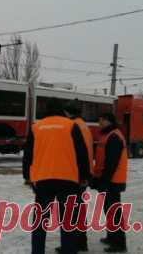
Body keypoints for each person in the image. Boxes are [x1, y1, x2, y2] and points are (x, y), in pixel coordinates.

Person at [23, 100, 90, 254]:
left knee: (40, 220)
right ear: (61, 110)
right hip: (68, 180)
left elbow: (28, 155)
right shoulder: (71, 125)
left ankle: (37, 251)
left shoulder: (36, 127)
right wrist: (84, 176)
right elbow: (82, 153)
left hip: (43, 179)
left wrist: (27, 176)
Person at [53, 101, 94, 253]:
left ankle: (74, 244)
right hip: (83, 174)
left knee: (72, 211)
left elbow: (76, 154)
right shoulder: (83, 125)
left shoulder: (73, 126)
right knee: (78, 209)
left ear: (67, 113)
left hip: (75, 175)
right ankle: (81, 242)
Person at [92, 113, 128, 253]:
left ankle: (119, 243)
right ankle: (112, 237)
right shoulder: (109, 135)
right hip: (109, 179)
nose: (99, 122)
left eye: (101, 120)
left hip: (112, 180)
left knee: (114, 211)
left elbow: (111, 163)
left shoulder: (113, 136)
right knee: (109, 209)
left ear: (108, 121)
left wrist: (104, 182)